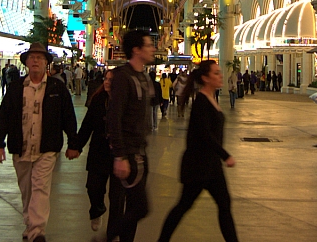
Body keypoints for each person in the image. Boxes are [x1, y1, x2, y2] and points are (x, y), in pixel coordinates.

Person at [0, 42, 80, 242]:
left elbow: (68, 117)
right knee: (27, 190)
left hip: (46, 149)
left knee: (40, 188)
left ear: (46, 64)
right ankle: (30, 225)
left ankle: (37, 232)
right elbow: (3, 116)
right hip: (21, 147)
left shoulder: (57, 88)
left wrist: (73, 143)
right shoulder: (16, 88)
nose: (35, 61)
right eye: (32, 57)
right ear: (26, 62)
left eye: (39, 58)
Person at [156, 60, 238, 242]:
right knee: (183, 206)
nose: (220, 75)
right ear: (206, 78)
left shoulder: (210, 99)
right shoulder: (201, 102)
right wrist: (226, 155)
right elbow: (205, 135)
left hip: (211, 166)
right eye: (216, 73)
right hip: (198, 166)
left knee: (224, 205)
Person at [106, 30, 156, 242]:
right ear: (137, 50)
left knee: (136, 207)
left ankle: (117, 236)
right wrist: (120, 155)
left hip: (140, 151)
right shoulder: (123, 77)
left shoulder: (143, 77)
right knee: (140, 207)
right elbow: (114, 118)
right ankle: (110, 236)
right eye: (148, 45)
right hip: (129, 153)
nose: (152, 48)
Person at [70, 68, 115, 232]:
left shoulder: (124, 101)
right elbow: (87, 125)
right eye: (106, 79)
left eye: (111, 80)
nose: (107, 82)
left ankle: (113, 231)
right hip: (99, 151)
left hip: (118, 153)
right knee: (93, 187)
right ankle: (97, 209)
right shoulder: (98, 100)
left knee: (117, 196)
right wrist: (76, 146)